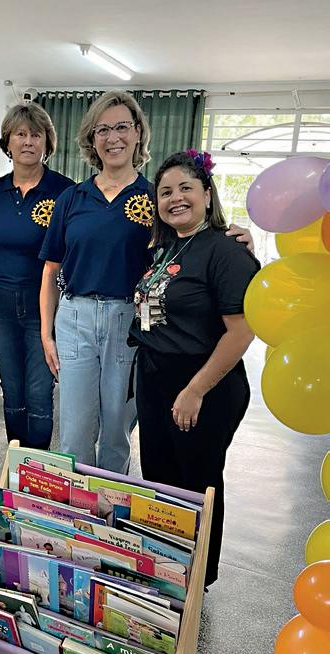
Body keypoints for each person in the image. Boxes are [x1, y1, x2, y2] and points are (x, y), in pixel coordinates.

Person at [39, 90, 253, 474]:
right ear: (92, 139)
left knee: (117, 429)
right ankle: (75, 507)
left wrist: (236, 236)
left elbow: (192, 237)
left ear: (138, 132)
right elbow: (51, 270)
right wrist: (46, 333)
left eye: (122, 127)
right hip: (75, 318)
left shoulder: (155, 197)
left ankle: (110, 505)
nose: (113, 138)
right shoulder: (72, 197)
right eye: (103, 130)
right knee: (73, 430)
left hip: (131, 320)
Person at [128, 149, 260, 587]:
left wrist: (195, 390)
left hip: (204, 382)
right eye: (165, 192)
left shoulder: (226, 251)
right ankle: (169, 572)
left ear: (207, 193)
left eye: (185, 188)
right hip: (155, 375)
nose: (175, 198)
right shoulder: (164, 247)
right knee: (160, 480)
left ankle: (198, 576)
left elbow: (241, 332)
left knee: (197, 483)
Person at [0, 104, 74, 448]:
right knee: (12, 389)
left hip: (43, 304)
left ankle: (36, 469)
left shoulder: (65, 191)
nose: (28, 141)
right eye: (20, 134)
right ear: (8, 142)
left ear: (47, 142)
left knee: (38, 390)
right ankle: (17, 466)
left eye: (36, 134)